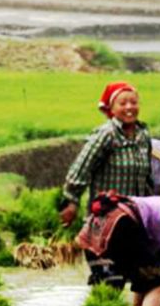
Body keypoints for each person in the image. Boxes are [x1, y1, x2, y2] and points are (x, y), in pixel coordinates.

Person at [76, 192, 160, 306]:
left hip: (96, 228)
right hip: (121, 225)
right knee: (159, 284)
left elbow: (145, 273)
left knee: (118, 293)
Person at [59, 81, 153, 227]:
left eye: (133, 102)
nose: (129, 107)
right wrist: (71, 201)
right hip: (105, 219)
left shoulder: (143, 136)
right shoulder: (107, 134)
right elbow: (82, 168)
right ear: (112, 109)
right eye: (122, 103)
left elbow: (147, 179)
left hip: (134, 218)